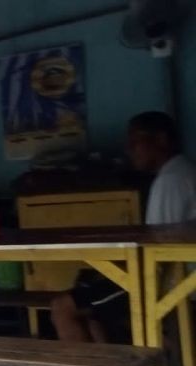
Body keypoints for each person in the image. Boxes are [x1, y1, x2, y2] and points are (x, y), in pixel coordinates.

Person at [49, 112, 196, 346]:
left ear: (161, 140)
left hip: (169, 285)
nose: (130, 149)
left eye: (135, 140)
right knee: (88, 292)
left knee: (63, 307)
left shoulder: (172, 180)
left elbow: (156, 250)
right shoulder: (182, 172)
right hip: (171, 278)